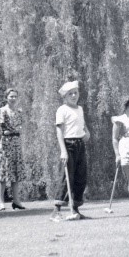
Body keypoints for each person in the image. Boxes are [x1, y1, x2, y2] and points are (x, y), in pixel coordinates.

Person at [50, 81, 91, 222]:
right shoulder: (62, 110)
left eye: (75, 93)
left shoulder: (80, 109)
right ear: (65, 96)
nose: (74, 95)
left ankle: (75, 209)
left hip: (80, 144)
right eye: (70, 94)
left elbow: (82, 124)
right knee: (66, 177)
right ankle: (56, 211)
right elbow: (59, 131)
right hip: (68, 144)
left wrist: (87, 132)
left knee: (80, 177)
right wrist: (63, 151)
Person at [0, 88, 26, 211]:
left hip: (17, 143)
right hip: (6, 142)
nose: (13, 99)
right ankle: (1, 201)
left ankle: (16, 201)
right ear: (6, 97)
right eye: (11, 96)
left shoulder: (19, 112)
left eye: (15, 96)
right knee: (3, 171)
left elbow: (20, 126)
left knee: (16, 171)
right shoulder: (2, 111)